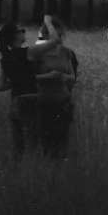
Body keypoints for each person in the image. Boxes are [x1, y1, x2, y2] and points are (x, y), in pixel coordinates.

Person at [31, 14, 78, 155]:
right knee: (46, 139)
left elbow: (72, 77)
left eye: (60, 35)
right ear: (46, 35)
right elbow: (29, 79)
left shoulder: (66, 52)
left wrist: (64, 77)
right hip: (44, 101)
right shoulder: (38, 53)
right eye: (55, 35)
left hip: (63, 101)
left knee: (62, 139)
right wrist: (47, 77)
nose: (58, 38)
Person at [0, 22, 40, 155]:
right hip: (31, 99)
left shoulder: (4, 59)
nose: (24, 33)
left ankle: (17, 165)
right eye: (21, 31)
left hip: (15, 101)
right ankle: (34, 165)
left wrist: (16, 81)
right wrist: (48, 22)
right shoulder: (27, 52)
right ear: (15, 36)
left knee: (18, 143)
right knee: (33, 141)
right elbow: (54, 42)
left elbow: (0, 86)